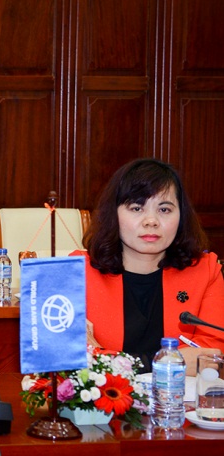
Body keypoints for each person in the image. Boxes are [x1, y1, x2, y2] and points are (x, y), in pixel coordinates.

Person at [75, 158, 224, 372]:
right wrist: (169, 362)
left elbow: (211, 354)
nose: (151, 221)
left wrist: (107, 358)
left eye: (164, 210)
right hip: (105, 394)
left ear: (181, 216)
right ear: (113, 214)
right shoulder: (78, 272)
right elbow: (73, 357)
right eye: (137, 208)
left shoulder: (205, 271)